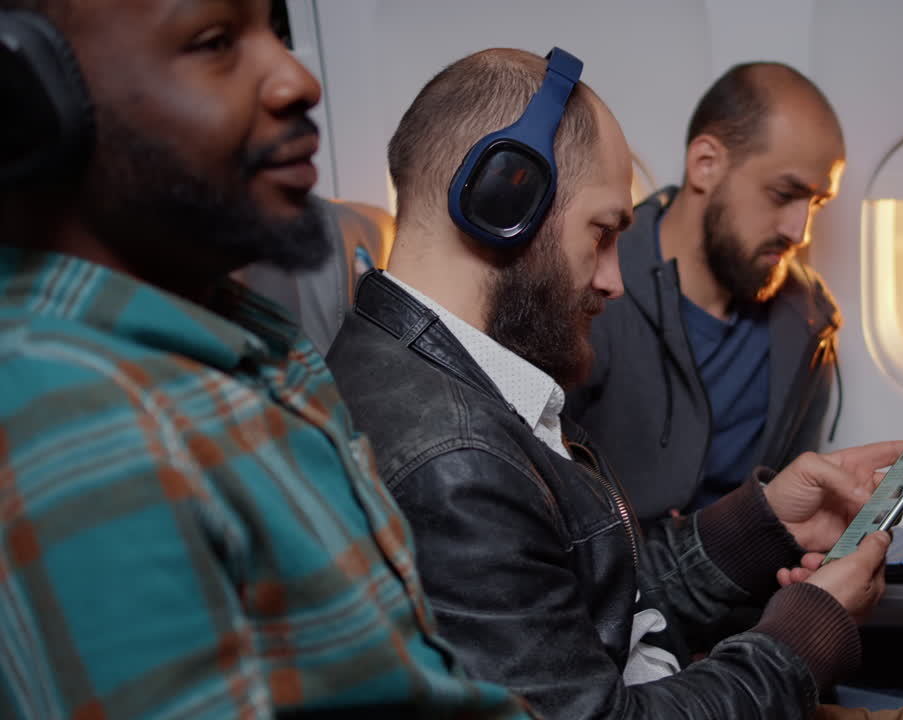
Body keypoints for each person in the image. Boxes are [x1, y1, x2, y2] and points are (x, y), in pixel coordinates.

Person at [326, 47, 903, 720]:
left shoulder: (476, 382)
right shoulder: (455, 461)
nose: (615, 279)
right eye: (602, 233)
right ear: (502, 204)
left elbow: (604, 603)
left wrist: (758, 527)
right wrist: (806, 634)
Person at [0, 1, 533, 716]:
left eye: (277, 32)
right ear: (23, 95)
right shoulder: (81, 422)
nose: (297, 80)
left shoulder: (238, 341)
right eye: (214, 41)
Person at [565, 62, 847, 528]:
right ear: (706, 164)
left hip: (750, 568)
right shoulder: (593, 294)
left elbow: (791, 509)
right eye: (783, 195)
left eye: (815, 204)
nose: (799, 232)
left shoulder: (810, 321)